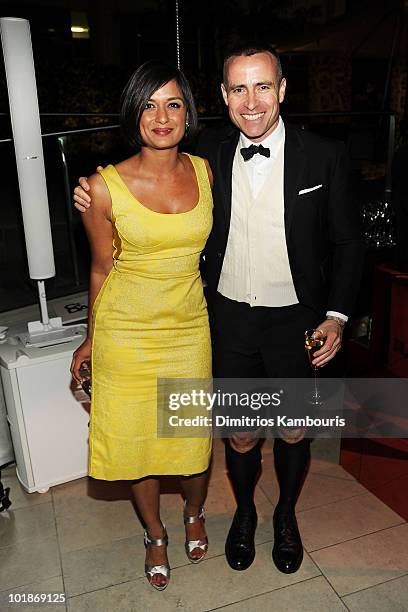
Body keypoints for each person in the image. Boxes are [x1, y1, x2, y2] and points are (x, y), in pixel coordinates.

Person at [73, 43, 364, 576]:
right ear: (223, 97)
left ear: (280, 90)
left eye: (261, 87)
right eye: (237, 88)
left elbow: (349, 242)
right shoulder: (209, 153)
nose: (250, 101)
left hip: (297, 318)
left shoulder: (326, 154)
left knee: (295, 428)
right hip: (227, 318)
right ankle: (247, 513)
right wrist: (94, 194)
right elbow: (141, 186)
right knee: (241, 431)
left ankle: (287, 517)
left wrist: (338, 315)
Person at [70, 60, 214, 591]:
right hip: (126, 334)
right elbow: (101, 268)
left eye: (173, 103)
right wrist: (90, 337)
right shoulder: (102, 188)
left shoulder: (205, 171)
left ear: (187, 113)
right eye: (149, 104)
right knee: (137, 445)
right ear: (134, 113)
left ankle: (194, 512)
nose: (162, 116)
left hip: (187, 331)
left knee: (191, 442)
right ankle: (154, 533)